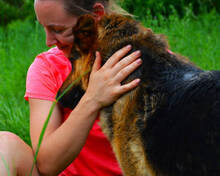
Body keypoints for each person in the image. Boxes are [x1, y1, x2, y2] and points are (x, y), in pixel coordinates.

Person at [0, 0, 142, 175]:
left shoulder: (148, 62)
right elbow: (46, 165)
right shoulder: (47, 67)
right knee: (3, 145)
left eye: (58, 30)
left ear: (95, 16)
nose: (48, 41)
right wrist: (93, 99)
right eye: (44, 28)